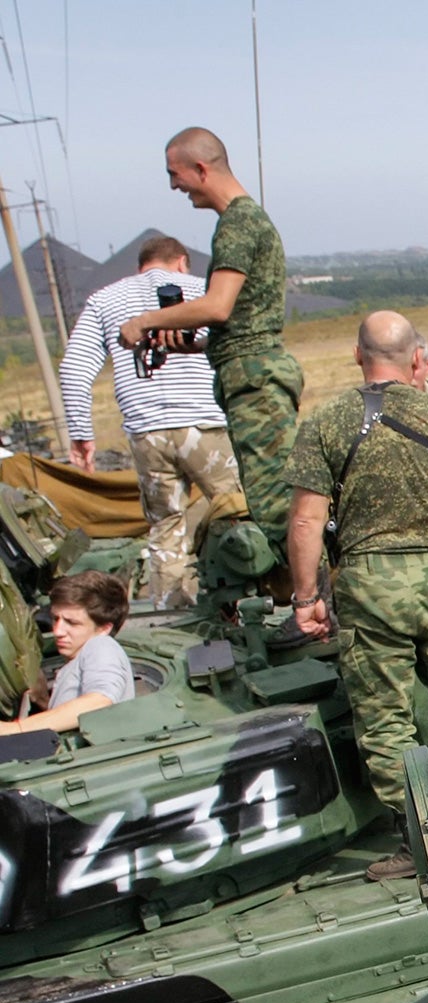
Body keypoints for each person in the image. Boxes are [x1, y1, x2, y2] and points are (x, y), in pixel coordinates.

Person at [284, 310, 428, 880]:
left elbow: (307, 522)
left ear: (358, 357)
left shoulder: (328, 422)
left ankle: (422, 843)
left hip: (368, 583)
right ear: (417, 359)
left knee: (387, 723)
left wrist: (305, 598)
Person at [117, 128, 303, 566]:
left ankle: (313, 606)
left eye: (175, 174)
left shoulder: (237, 223)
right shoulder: (245, 220)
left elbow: (218, 306)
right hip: (253, 371)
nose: (173, 186)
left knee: (273, 502)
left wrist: (146, 320)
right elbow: (243, 321)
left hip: (255, 383)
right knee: (271, 495)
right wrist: (194, 346)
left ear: (200, 169)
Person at [60, 235, 243, 606]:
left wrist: (81, 433)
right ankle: (242, 603)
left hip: (147, 433)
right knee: (236, 513)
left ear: (141, 266)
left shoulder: (105, 300)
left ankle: (173, 613)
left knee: (165, 530)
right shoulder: (206, 291)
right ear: (181, 262)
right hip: (205, 424)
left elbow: (74, 369)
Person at [0, 570, 134, 737]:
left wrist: (15, 729)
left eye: (72, 623)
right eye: (56, 619)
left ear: (104, 628)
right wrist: (43, 700)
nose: (58, 631)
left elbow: (100, 701)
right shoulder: (78, 658)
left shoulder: (101, 646)